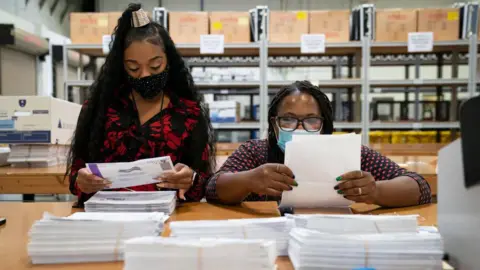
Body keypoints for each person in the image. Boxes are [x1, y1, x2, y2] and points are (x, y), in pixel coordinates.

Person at [66, 4, 216, 206]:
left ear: (169, 62)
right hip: (104, 216)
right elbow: (76, 172)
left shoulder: (188, 114)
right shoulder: (100, 110)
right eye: (133, 68)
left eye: (155, 66)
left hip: (168, 218)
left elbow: (205, 182)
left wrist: (191, 180)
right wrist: (80, 181)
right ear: (122, 68)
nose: (144, 74)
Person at [206, 81, 431, 207]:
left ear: (325, 124)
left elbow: (419, 187)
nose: (300, 128)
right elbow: (213, 188)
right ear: (274, 124)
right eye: (289, 119)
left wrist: (376, 191)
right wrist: (249, 180)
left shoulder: (350, 154)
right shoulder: (256, 153)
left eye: (312, 120)